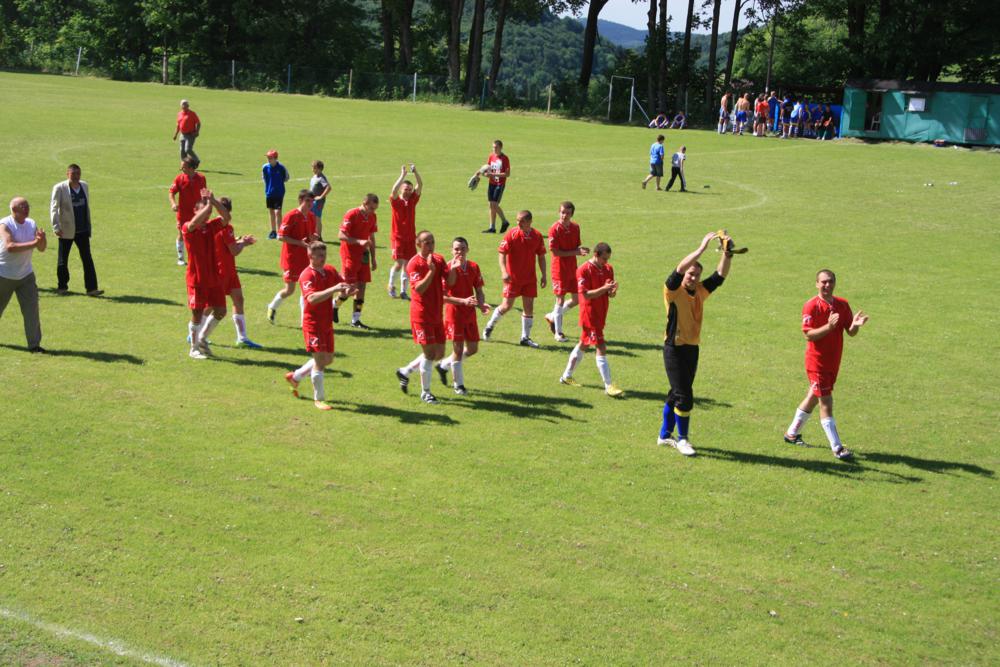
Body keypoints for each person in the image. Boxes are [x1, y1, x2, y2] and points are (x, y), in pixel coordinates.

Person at [657, 231, 733, 456]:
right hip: (674, 348)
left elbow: (719, 276)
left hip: (691, 348)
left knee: (676, 393)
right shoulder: (672, 290)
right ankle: (683, 440)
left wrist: (727, 253)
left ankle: (664, 435)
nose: (693, 278)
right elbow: (679, 269)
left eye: (696, 275)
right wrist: (701, 249)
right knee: (684, 396)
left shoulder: (700, 291)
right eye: (691, 274)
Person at [783, 270, 869, 459]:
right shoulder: (811, 306)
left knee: (813, 396)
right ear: (817, 284)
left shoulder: (842, 304)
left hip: (833, 362)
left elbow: (850, 332)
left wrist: (855, 325)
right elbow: (808, 334)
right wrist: (829, 327)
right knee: (826, 402)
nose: (827, 285)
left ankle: (791, 434)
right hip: (817, 363)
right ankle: (837, 448)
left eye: (830, 281)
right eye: (823, 282)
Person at [284, 242, 357, 410]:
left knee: (328, 359)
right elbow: (311, 299)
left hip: (326, 322)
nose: (323, 258)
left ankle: (296, 377)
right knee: (320, 362)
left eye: (324, 255)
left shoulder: (330, 270)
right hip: (313, 324)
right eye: (319, 255)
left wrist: (348, 291)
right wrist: (334, 289)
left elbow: (342, 287)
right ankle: (319, 399)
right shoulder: (306, 275)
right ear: (310, 256)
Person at [558, 243, 622, 397]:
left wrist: (612, 291)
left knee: (583, 344)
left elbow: (609, 294)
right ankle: (608, 385)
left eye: (608, 259)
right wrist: (604, 289)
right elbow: (585, 295)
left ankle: (566, 376)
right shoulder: (583, 270)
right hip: (590, 314)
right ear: (595, 254)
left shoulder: (608, 268)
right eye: (604, 258)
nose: (606, 262)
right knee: (601, 346)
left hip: (601, 313)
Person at [395, 231, 451, 404]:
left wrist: (456, 266)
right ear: (418, 244)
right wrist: (431, 272)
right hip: (421, 315)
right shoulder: (414, 263)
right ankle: (425, 393)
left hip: (436, 314)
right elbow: (419, 289)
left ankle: (405, 371)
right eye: (427, 242)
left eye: (432, 242)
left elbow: (451, 281)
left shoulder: (439, 259)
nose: (431, 245)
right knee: (430, 354)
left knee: (439, 353)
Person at [482, 210, 546, 347]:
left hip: (529, 279)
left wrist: (544, 275)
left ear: (530, 221)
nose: (518, 223)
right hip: (513, 279)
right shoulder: (511, 234)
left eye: (522, 221)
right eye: (517, 220)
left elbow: (541, 256)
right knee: (507, 306)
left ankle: (525, 338)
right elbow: (502, 254)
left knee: (529, 308)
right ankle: (490, 326)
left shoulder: (537, 236)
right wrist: (504, 272)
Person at [434, 237, 490, 395]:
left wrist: (481, 304)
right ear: (451, 251)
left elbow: (479, 290)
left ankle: (444, 366)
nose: (460, 252)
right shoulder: (447, 269)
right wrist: (463, 301)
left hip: (469, 314)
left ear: (468, 249)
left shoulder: (473, 267)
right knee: (458, 350)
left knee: (472, 349)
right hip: (454, 315)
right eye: (456, 249)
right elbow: (443, 297)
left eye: (463, 248)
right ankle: (458, 385)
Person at [182, 190, 229, 359]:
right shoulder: (188, 227)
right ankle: (193, 349)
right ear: (195, 210)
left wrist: (214, 201)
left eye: (208, 213)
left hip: (213, 277)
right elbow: (194, 222)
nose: (207, 215)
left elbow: (226, 218)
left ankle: (202, 338)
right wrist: (208, 205)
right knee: (197, 313)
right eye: (203, 211)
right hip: (197, 279)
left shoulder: (211, 227)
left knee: (221, 311)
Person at [210, 197, 262, 348]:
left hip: (229, 271)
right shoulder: (226, 228)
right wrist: (244, 243)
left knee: (238, 299)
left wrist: (240, 241)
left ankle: (242, 338)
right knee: (211, 305)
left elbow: (227, 245)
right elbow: (234, 251)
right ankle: (196, 333)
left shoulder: (214, 226)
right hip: (222, 271)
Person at [0, 197, 46, 352]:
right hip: (4, 275)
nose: (27, 209)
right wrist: (34, 243)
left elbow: (41, 248)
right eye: (23, 206)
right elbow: (10, 247)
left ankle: (34, 345)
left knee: (31, 310)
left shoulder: (31, 223)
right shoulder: (5, 224)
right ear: (14, 210)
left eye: (27, 206)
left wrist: (42, 240)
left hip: (26, 275)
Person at [266, 190, 319, 324]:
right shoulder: (291, 216)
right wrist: (299, 243)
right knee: (289, 290)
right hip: (291, 258)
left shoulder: (311, 216)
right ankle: (272, 306)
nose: (310, 204)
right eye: (307, 201)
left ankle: (304, 321)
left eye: (312, 201)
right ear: (300, 200)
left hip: (306, 258)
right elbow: (280, 236)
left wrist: (313, 238)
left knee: (306, 289)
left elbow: (310, 235)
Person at [50, 164, 102, 296]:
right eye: (73, 174)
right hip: (66, 230)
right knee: (63, 260)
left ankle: (92, 288)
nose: (76, 177)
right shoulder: (60, 188)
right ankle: (62, 287)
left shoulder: (84, 186)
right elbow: (54, 208)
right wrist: (56, 226)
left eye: (78, 174)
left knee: (87, 259)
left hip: (82, 229)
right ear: (67, 174)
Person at [543, 201, 588, 342]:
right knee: (560, 300)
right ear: (559, 212)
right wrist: (576, 252)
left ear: (572, 214)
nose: (564, 215)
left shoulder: (575, 227)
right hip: (559, 270)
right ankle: (558, 333)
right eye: (562, 212)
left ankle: (552, 316)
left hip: (572, 269)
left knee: (577, 299)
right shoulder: (554, 229)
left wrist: (581, 250)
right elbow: (555, 252)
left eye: (567, 213)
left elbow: (575, 247)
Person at [335, 194, 379, 328]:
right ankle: (334, 305)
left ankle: (356, 320)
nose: (373, 211)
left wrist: (373, 258)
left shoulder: (372, 216)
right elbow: (341, 235)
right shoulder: (352, 214)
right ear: (364, 203)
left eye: (375, 209)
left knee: (362, 287)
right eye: (371, 208)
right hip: (349, 255)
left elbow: (371, 237)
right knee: (349, 288)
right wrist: (358, 241)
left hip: (363, 256)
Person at [387, 164, 423, 300]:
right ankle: (391, 286)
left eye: (409, 189)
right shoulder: (396, 201)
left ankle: (403, 291)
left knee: (408, 265)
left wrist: (415, 172)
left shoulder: (413, 200)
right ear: (401, 189)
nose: (408, 191)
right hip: (398, 237)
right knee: (399, 263)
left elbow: (420, 185)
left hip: (410, 238)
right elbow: (393, 190)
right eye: (405, 189)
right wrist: (402, 175)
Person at [168, 156, 206, 265]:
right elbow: (171, 193)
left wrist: (205, 208)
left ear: (191, 168)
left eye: (183, 167)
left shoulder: (201, 178)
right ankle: (180, 258)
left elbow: (204, 194)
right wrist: (173, 204)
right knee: (182, 234)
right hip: (183, 213)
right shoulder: (179, 179)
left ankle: (198, 258)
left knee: (199, 235)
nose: (181, 169)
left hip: (197, 214)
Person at [474, 139, 510, 234]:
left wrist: (492, 175)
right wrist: (478, 173)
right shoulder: (491, 156)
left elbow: (507, 174)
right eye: (493, 147)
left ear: (501, 147)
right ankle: (492, 227)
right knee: (491, 205)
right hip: (491, 183)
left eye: (496, 147)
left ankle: (504, 221)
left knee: (494, 205)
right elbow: (487, 168)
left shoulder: (505, 158)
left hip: (499, 184)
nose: (494, 149)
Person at [262, 149, 290, 240]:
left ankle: (279, 231)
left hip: (279, 193)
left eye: (270, 158)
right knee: (271, 212)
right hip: (269, 193)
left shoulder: (281, 167)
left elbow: (286, 178)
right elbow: (264, 178)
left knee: (278, 212)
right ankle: (273, 231)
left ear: (275, 158)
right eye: (268, 157)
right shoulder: (265, 167)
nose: (268, 159)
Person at [309, 160, 332, 238]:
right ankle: (314, 234)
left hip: (318, 202)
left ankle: (319, 237)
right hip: (312, 201)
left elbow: (328, 187)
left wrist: (321, 197)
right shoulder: (314, 177)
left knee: (317, 218)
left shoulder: (321, 178)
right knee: (312, 217)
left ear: (319, 169)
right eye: (312, 167)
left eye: (314, 168)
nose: (312, 169)